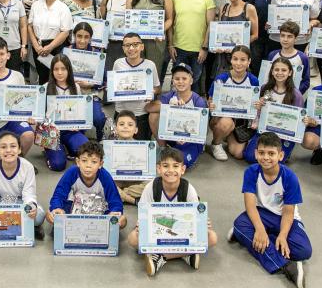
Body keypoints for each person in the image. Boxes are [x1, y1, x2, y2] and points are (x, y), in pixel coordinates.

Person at [229, 132, 310, 288]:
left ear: (280, 155)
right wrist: (259, 229)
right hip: (262, 214)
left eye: (271, 154)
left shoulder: (290, 177)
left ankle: (250, 237)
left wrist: (283, 235)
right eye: (261, 153)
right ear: (255, 153)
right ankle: (287, 266)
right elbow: (250, 205)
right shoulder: (251, 172)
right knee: (240, 224)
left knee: (304, 251)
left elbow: (288, 212)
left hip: (285, 219)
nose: (266, 157)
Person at [126, 147, 218, 276]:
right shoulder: (151, 187)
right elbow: (143, 216)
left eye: (175, 166)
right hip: (158, 232)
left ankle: (161, 257)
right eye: (165, 166)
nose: (170, 170)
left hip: (181, 233)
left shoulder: (188, 189)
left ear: (183, 169)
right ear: (159, 169)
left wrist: (203, 224)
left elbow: (197, 218)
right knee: (132, 239)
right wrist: (141, 225)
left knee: (212, 237)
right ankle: (186, 254)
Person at [0, 130, 45, 238]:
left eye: (13, 146)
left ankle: (31, 225)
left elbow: (29, 194)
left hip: (19, 202)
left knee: (39, 216)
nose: (8, 150)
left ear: (19, 149)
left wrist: (31, 207)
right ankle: (22, 225)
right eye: (3, 147)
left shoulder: (28, 167)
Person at [47, 141, 126, 228]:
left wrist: (115, 212)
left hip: (99, 215)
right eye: (84, 161)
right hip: (73, 212)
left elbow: (115, 200)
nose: (88, 166)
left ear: (101, 164)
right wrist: (56, 208)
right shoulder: (71, 173)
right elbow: (59, 195)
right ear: (78, 162)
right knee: (50, 214)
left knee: (122, 220)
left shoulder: (105, 177)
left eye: (94, 162)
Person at [146, 62, 207, 169]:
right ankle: (163, 148)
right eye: (177, 79)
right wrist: (168, 106)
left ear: (191, 81)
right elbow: (148, 108)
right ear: (173, 81)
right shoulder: (169, 96)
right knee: (153, 115)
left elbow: (202, 131)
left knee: (179, 163)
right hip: (172, 137)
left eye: (184, 79)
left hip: (190, 141)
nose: (180, 82)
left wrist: (186, 137)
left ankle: (186, 151)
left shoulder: (198, 101)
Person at [244, 57, 303, 163]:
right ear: (272, 71)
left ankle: (285, 152)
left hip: (284, 135)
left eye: (284, 70)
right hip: (265, 131)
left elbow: (298, 122)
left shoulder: (296, 94)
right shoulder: (264, 88)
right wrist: (258, 108)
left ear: (290, 73)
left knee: (275, 161)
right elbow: (256, 114)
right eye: (276, 70)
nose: (279, 73)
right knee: (250, 157)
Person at [169, 0, 215, 92]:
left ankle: (192, 111)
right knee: (179, 83)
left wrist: (205, 48)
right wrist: (171, 45)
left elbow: (210, 26)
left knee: (194, 84)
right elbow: (171, 23)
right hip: (179, 49)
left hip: (198, 50)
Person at [207, 46, 259, 161]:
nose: (238, 63)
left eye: (243, 59)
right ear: (231, 60)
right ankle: (216, 144)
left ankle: (229, 136)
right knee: (226, 122)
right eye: (235, 59)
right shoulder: (222, 78)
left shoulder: (253, 80)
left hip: (241, 122)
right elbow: (210, 99)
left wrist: (257, 106)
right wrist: (211, 105)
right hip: (221, 119)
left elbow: (254, 104)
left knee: (238, 154)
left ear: (249, 61)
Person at [41, 55, 90, 171]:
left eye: (63, 69)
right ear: (52, 71)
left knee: (86, 150)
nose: (59, 72)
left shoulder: (76, 87)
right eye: (56, 69)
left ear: (69, 70)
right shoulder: (45, 87)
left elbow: (79, 111)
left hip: (70, 131)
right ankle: (49, 152)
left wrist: (78, 125)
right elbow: (40, 115)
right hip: (52, 133)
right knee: (58, 165)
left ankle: (68, 147)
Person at [113, 32, 160, 140]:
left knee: (141, 147)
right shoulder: (118, 63)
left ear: (142, 46)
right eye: (127, 45)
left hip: (141, 114)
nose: (131, 48)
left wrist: (151, 91)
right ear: (123, 48)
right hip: (121, 113)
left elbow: (158, 88)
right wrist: (112, 89)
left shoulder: (150, 65)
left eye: (135, 44)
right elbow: (114, 84)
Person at [133, 0, 174, 79]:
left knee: (153, 73)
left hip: (156, 41)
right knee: (137, 73)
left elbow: (170, 19)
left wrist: (157, 30)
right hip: (137, 41)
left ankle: (154, 97)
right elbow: (129, 17)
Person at [28, 0, 73, 84]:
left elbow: (65, 32)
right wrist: (35, 45)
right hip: (38, 47)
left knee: (56, 78)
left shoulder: (63, 8)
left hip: (55, 47)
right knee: (42, 77)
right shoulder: (36, 5)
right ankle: (44, 100)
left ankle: (53, 100)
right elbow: (29, 26)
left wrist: (50, 47)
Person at [68, 22, 106, 139]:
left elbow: (104, 80)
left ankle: (101, 136)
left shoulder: (97, 54)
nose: (82, 41)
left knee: (98, 119)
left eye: (86, 37)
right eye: (79, 36)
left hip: (91, 93)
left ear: (90, 38)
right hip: (71, 93)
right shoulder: (66, 52)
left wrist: (90, 85)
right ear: (74, 36)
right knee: (79, 125)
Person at [213, 0, 258, 76]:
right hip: (223, 56)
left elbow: (255, 35)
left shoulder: (249, 8)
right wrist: (216, 45)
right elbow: (219, 32)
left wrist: (237, 47)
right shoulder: (223, 8)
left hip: (240, 56)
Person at [111, 110, 147, 205]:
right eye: (121, 124)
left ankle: (120, 194)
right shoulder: (108, 146)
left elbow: (147, 172)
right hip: (116, 181)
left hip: (135, 182)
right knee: (102, 181)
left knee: (151, 185)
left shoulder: (143, 146)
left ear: (136, 130)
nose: (126, 127)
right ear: (115, 128)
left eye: (130, 125)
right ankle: (132, 200)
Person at [251, 0, 280, 75]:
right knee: (256, 65)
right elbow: (249, 10)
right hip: (257, 35)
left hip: (275, 37)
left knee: (272, 65)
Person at [267, 20, 311, 93]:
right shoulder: (272, 55)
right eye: (282, 35)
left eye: (289, 36)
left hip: (292, 97)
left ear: (296, 38)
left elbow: (306, 81)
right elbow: (268, 76)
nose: (285, 39)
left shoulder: (302, 57)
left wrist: (294, 93)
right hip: (274, 95)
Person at [99, 0, 129, 72]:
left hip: (127, 43)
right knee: (111, 72)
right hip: (111, 44)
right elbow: (102, 22)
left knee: (126, 71)